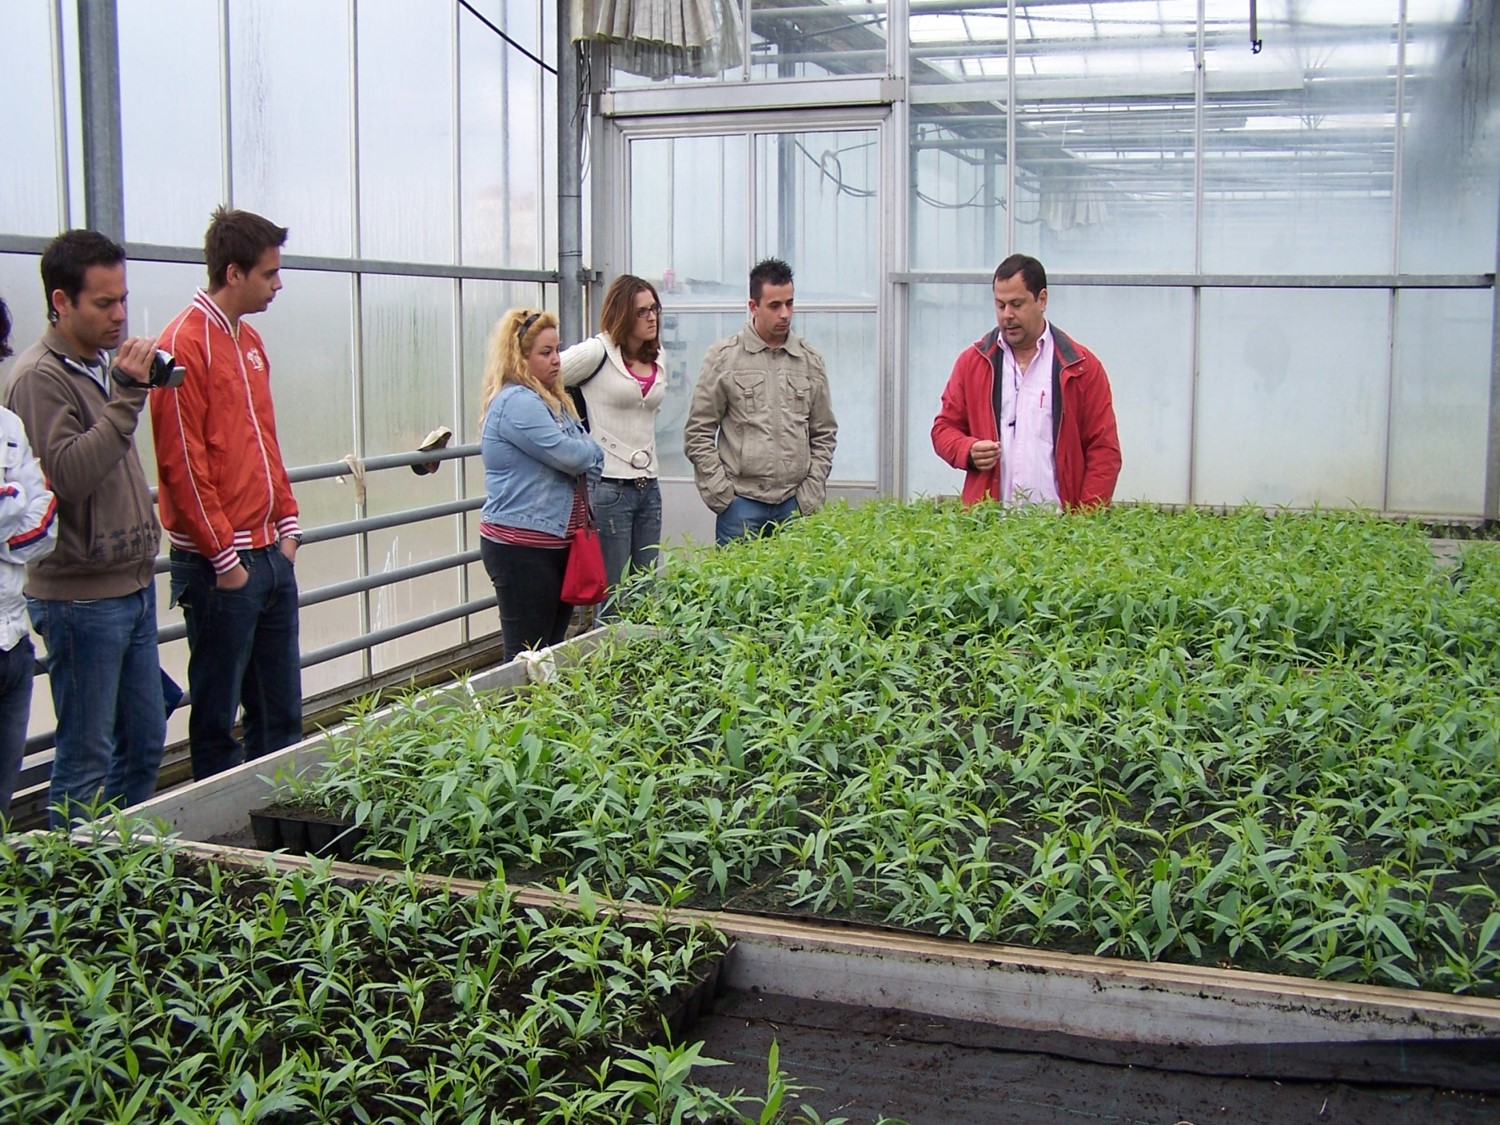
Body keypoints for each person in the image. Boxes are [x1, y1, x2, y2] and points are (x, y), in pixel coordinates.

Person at [4, 230, 165, 827]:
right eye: (104, 303)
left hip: (129, 586)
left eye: (123, 299)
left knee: (144, 741)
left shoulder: (98, 365)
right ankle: (74, 870)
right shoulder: (38, 379)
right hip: (80, 598)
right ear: (61, 301)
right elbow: (68, 476)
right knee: (86, 759)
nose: (119, 314)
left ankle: (120, 861)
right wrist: (126, 401)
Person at [152, 207, 303, 781]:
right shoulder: (183, 344)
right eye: (269, 273)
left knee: (280, 712)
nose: (278, 284)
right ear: (233, 273)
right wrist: (225, 558)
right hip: (223, 564)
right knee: (217, 718)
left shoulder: (249, 341)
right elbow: (182, 461)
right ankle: (222, 822)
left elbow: (265, 440)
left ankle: (279, 817)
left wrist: (288, 526)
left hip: (268, 554)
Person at [931, 254, 1121, 509]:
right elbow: (943, 428)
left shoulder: (1081, 367)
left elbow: (1104, 451)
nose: (1007, 315)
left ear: (1042, 300)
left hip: (1059, 525)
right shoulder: (973, 363)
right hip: (989, 523)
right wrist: (968, 449)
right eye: (1000, 305)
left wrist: (1085, 522)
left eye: (1016, 304)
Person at [684, 258, 838, 545]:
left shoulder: (809, 360)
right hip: (741, 504)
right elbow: (698, 432)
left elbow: (824, 433)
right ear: (753, 306)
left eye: (790, 303)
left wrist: (810, 494)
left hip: (796, 505)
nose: (785, 314)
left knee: (795, 576)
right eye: (774, 305)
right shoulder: (724, 358)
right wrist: (722, 495)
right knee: (737, 576)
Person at [479, 309, 603, 662]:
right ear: (521, 359)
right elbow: (573, 455)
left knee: (548, 651)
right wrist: (590, 452)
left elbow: (586, 454)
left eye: (557, 350)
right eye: (545, 353)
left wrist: (588, 453)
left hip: (554, 543)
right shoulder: (518, 402)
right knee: (526, 656)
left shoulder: (553, 400)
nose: (556, 360)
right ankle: (511, 701)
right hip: (522, 547)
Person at [560, 275, 667, 616]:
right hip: (609, 487)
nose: (652, 317)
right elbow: (542, 377)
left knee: (646, 592)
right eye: (641, 311)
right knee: (613, 599)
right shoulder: (597, 352)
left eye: (655, 309)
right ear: (622, 314)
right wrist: (569, 433)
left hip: (649, 486)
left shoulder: (658, 356)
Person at [0, 297, 59, 822]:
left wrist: (15, 500)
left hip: (13, 643)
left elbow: (42, 529)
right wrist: (16, 499)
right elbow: (22, 508)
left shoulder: (8, 427)